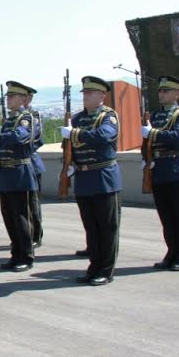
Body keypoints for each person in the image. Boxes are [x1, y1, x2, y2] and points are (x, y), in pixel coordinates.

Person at [60, 76, 122, 286]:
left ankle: (105, 270)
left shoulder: (108, 116)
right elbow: (67, 147)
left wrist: (74, 133)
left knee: (107, 227)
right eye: (84, 93)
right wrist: (68, 166)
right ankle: (93, 267)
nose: (85, 96)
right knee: (91, 228)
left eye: (89, 93)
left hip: (103, 177)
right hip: (84, 177)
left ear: (101, 96)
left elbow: (104, 135)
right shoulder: (77, 118)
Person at [143, 75, 179, 272]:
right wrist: (146, 158)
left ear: (177, 93)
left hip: (178, 169)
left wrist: (153, 134)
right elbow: (147, 143)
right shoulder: (156, 116)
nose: (161, 94)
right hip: (159, 169)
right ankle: (172, 252)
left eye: (166, 90)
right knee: (166, 217)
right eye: (160, 90)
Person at [0, 81, 37, 272]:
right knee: (9, 217)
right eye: (7, 96)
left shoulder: (26, 118)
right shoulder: (9, 120)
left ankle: (26, 255)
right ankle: (16, 254)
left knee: (21, 217)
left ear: (23, 99)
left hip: (19, 173)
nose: (8, 99)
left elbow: (19, 137)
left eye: (12, 96)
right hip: (6, 173)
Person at [25, 88, 45, 248]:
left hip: (31, 162)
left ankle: (36, 235)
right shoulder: (13, 117)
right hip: (18, 165)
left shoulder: (34, 116)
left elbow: (37, 138)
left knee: (33, 202)